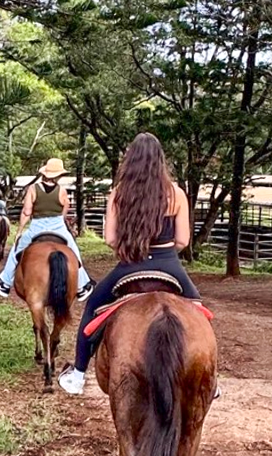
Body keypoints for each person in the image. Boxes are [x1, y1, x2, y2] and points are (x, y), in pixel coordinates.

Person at [58, 132, 205, 396]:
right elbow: (182, 240)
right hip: (169, 264)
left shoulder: (118, 194)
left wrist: (132, 248)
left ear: (130, 161)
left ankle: (79, 374)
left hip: (130, 265)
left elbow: (110, 239)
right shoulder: (177, 195)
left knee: (92, 306)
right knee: (199, 312)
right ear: (160, 161)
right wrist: (165, 252)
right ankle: (210, 379)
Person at [0, 158, 95, 301]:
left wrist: (19, 231)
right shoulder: (62, 191)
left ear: (45, 173)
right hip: (58, 227)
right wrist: (59, 219)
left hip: (37, 226)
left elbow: (27, 212)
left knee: (16, 250)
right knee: (74, 251)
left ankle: (5, 282)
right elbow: (65, 208)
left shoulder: (33, 189)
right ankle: (82, 285)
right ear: (59, 175)